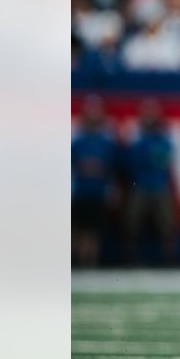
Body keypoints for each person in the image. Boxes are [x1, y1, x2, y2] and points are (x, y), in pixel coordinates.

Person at [122, 99, 177, 264]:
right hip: (139, 185)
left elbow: (163, 160)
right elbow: (129, 160)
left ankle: (170, 260)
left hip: (160, 185)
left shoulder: (164, 135)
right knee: (131, 224)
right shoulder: (135, 133)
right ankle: (130, 259)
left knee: (167, 225)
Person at [72, 96, 118, 267]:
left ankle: (89, 261)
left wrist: (111, 187)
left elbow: (111, 166)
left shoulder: (106, 139)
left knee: (93, 230)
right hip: (80, 190)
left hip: (97, 190)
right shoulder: (78, 138)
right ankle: (75, 260)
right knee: (76, 228)